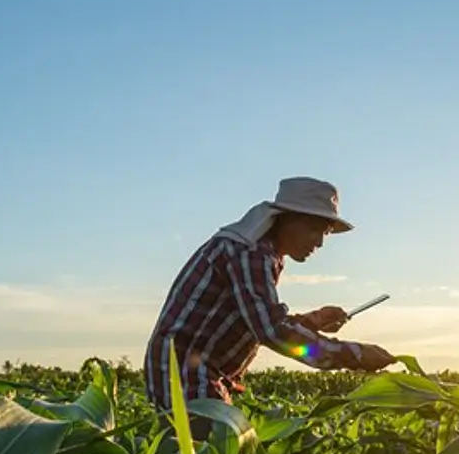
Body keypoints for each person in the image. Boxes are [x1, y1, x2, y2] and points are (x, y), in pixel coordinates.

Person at [143, 176, 397, 438]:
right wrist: (355, 354)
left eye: (326, 233)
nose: (320, 242)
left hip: (194, 370)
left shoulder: (261, 251)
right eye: (315, 229)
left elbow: (255, 319)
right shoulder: (250, 253)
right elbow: (271, 331)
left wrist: (313, 320)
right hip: (186, 371)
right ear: (286, 219)